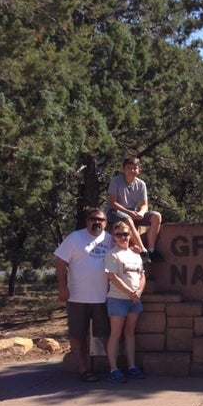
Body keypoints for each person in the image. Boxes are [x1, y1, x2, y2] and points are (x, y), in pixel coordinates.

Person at [54, 208, 113, 382]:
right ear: (87, 221)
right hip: (77, 297)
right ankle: (83, 368)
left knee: (106, 334)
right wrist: (62, 287)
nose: (97, 222)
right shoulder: (75, 238)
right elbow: (60, 262)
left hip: (102, 297)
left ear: (106, 223)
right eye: (93, 219)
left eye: (101, 220)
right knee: (78, 334)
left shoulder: (110, 239)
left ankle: (113, 368)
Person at [104, 220, 146, 383]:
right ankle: (113, 369)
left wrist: (138, 292)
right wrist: (130, 292)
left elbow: (142, 276)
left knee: (129, 333)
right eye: (119, 234)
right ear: (114, 237)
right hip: (118, 299)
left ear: (130, 235)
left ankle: (132, 366)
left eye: (126, 234)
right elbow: (112, 277)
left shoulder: (136, 255)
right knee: (116, 334)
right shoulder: (112, 255)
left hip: (135, 300)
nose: (123, 237)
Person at [106, 156, 163, 263]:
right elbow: (113, 203)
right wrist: (129, 212)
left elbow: (144, 205)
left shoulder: (141, 184)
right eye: (129, 168)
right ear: (124, 169)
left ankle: (151, 250)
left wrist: (141, 213)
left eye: (134, 168)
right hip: (114, 211)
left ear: (139, 170)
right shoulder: (116, 181)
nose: (132, 171)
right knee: (128, 219)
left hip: (133, 212)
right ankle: (143, 250)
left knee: (156, 216)